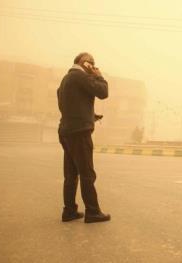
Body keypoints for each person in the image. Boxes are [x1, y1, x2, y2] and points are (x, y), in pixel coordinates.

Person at [57, 52, 111, 223]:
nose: (94, 67)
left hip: (66, 131)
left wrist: (89, 115)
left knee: (71, 174)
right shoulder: (79, 76)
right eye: (92, 63)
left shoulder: (66, 80)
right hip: (79, 132)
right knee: (87, 173)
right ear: (84, 63)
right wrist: (100, 76)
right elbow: (103, 92)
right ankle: (93, 212)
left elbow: (65, 104)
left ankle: (69, 211)